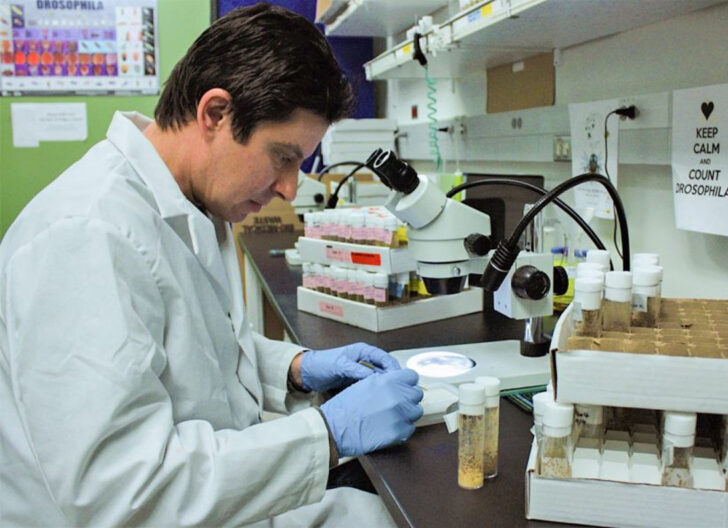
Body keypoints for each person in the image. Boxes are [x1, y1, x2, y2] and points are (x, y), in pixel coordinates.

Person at [0, 4, 423, 526]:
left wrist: (293, 370)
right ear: (216, 114)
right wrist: (327, 434)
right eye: (282, 156)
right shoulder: (87, 234)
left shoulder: (185, 205)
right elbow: (119, 490)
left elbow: (189, 350)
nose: (290, 189)